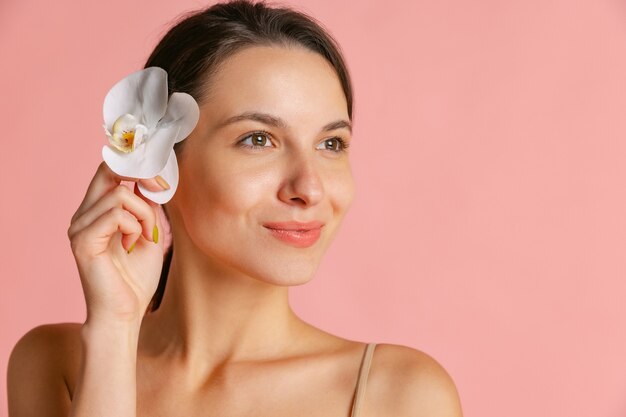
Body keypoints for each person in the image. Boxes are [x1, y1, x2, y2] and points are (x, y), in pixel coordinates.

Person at [7, 1, 463, 416]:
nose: (310, 188)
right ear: (163, 163)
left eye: (331, 143)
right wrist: (113, 330)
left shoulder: (402, 395)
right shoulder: (55, 363)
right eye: (258, 139)